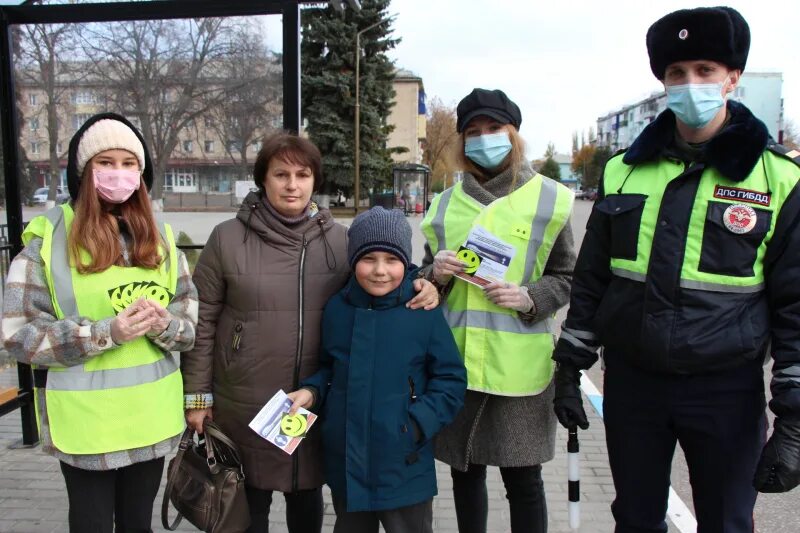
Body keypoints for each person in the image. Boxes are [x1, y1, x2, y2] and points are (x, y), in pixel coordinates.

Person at [552, 7, 800, 533]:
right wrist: (570, 365)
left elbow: (795, 303)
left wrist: (795, 415)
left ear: (732, 78)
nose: (690, 84)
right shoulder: (622, 170)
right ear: (662, 81)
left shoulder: (778, 179)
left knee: (728, 521)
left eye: (705, 71)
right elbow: (595, 276)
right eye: (677, 74)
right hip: (633, 384)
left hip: (725, 390)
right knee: (636, 519)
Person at [180, 133, 441, 533]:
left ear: (314, 181)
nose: (292, 184)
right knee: (248, 505)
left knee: (307, 498)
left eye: (302, 174)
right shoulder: (227, 239)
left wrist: (422, 284)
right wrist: (198, 397)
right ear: (262, 179)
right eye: (280, 173)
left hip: (316, 399)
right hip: (244, 399)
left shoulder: (338, 240)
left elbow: (379, 281)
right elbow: (202, 320)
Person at [1, 112, 198, 532]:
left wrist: (165, 324)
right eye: (105, 163)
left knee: (136, 526)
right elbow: (16, 337)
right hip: (87, 425)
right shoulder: (47, 242)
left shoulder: (161, 238)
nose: (119, 173)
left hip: (149, 419)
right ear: (83, 171)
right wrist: (105, 333)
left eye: (129, 164)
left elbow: (188, 327)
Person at [420, 88, 577, 533]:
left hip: (519, 372)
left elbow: (568, 276)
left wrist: (530, 297)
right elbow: (422, 281)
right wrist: (436, 273)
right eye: (473, 131)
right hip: (457, 365)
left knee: (524, 481)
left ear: (513, 135)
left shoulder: (552, 199)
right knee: (464, 476)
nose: (484, 138)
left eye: (494, 129)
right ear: (462, 141)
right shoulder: (443, 205)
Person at [287, 206, 467, 533]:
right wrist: (312, 390)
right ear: (354, 260)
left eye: (392, 260)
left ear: (406, 262)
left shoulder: (422, 310)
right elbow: (330, 366)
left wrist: (414, 424)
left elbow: (450, 380)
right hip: (348, 464)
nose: (380, 271)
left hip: (404, 464)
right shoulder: (337, 308)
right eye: (369, 259)